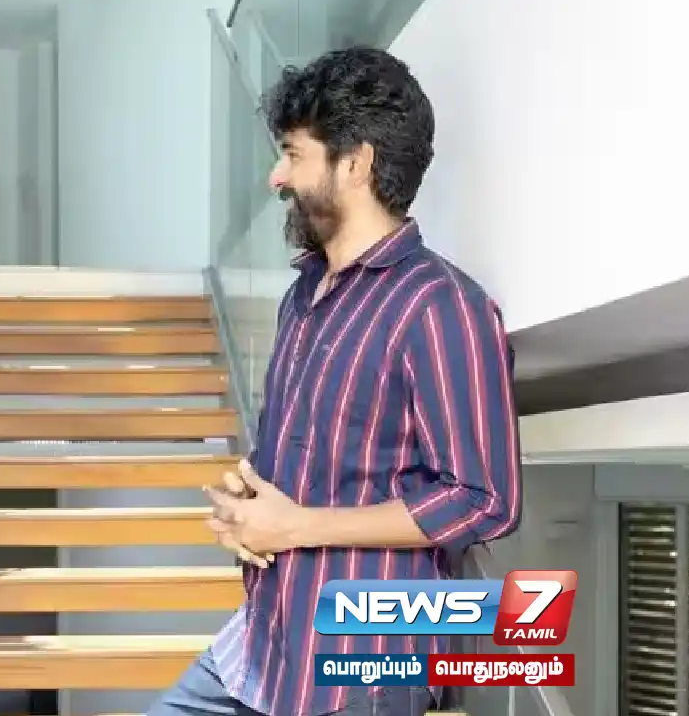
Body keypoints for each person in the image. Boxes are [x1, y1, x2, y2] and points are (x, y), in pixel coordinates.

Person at [146, 47, 522, 716]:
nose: (277, 176)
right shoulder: (302, 296)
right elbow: (308, 467)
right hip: (264, 638)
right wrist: (248, 511)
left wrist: (294, 526)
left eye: (294, 154)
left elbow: (483, 498)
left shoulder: (441, 306)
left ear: (355, 164)